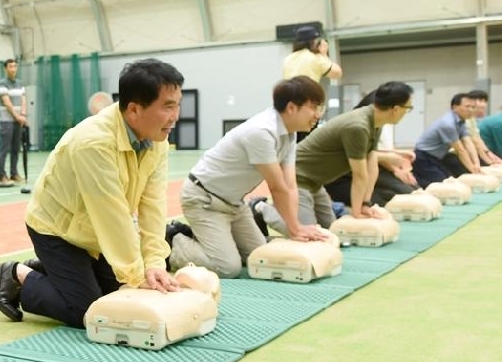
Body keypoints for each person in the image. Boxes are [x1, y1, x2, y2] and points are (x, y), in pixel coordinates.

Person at [0, 58, 182, 328]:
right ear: (134, 109)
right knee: (92, 311)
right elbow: (112, 214)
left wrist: (154, 264)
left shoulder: (155, 139)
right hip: (56, 229)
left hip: (93, 233)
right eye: (168, 106)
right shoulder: (93, 143)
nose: (175, 116)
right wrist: (136, 276)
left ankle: (49, 269)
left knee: (115, 294)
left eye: (177, 105)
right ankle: (17, 274)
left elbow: (153, 205)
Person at [167, 76, 328, 279]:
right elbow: (277, 187)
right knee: (227, 268)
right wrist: (294, 229)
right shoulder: (262, 131)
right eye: (313, 107)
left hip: (234, 204)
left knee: (259, 257)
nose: (317, 114)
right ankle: (175, 239)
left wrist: (295, 226)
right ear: (291, 108)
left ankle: (210, 239)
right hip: (204, 200)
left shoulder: (289, 133)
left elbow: (290, 185)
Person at [254, 81, 415, 235]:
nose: (407, 112)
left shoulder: (375, 122)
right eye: (408, 108)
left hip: (316, 182)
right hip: (297, 178)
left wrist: (366, 203)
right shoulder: (358, 126)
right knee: (308, 234)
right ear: (396, 109)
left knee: (333, 231)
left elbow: (371, 166)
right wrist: (357, 213)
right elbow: (360, 175)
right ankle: (260, 208)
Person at [323, 92, 417, 207]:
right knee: (390, 200)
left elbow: (372, 156)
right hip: (340, 178)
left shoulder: (377, 125)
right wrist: (363, 205)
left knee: (406, 193)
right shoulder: (357, 125)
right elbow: (359, 162)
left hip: (363, 170)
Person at [412, 93, 481, 187]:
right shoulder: (448, 123)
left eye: (473, 107)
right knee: (444, 185)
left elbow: (468, 142)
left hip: (437, 158)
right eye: (467, 106)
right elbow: (461, 150)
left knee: (450, 180)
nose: (471, 110)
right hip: (423, 157)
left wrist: (476, 164)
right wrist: (473, 171)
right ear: (455, 107)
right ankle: (414, 178)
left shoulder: (461, 121)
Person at [0, 58, 27, 185]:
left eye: (15, 66)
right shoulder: (2, 83)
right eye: (10, 66)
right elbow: (7, 102)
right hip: (6, 121)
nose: (13, 69)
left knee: (15, 149)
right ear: (5, 68)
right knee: (4, 149)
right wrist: (17, 116)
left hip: (18, 120)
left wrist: (23, 114)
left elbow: (23, 99)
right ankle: (2, 175)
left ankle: (14, 174)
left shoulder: (20, 83)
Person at [464, 89, 502, 166]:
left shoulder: (472, 119)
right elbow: (475, 143)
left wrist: (489, 156)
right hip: (464, 154)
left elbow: (478, 141)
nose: (484, 104)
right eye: (480, 100)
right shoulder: (465, 119)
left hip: (478, 153)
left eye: (485, 101)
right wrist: (489, 161)